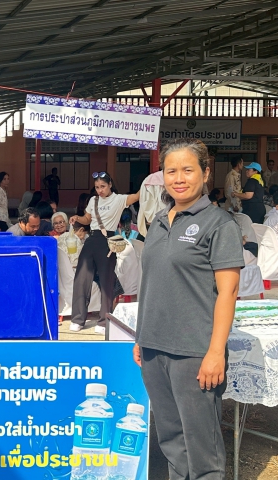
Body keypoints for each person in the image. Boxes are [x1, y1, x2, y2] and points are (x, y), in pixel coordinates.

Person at [133, 138, 243, 480]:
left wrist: (215, 353)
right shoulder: (158, 221)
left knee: (202, 448)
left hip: (194, 353)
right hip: (154, 349)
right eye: (171, 171)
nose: (178, 178)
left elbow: (228, 292)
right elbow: (153, 283)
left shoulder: (218, 224)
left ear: (206, 173)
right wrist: (141, 337)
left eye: (188, 170)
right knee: (171, 441)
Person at [68, 172, 140, 334]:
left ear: (110, 185)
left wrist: (150, 181)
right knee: (81, 278)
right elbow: (87, 219)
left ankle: (103, 321)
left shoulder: (119, 199)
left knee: (107, 281)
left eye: (103, 186)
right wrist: (77, 218)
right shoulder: (93, 200)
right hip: (92, 239)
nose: (100, 190)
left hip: (108, 240)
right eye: (97, 187)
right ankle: (78, 319)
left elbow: (136, 197)